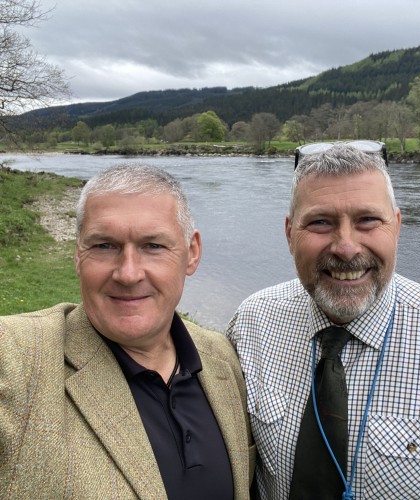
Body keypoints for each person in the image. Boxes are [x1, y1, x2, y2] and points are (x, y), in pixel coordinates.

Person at [226, 142, 420, 499]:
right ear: (289, 233)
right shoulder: (252, 323)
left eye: (367, 220)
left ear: (397, 226)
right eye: (320, 222)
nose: (346, 247)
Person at [0, 163, 255, 499]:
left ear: (191, 253)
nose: (128, 273)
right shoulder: (17, 356)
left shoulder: (222, 358)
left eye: (153, 246)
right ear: (78, 254)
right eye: (104, 245)